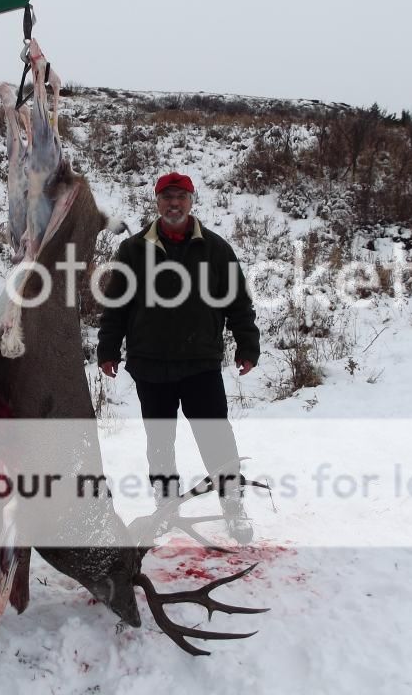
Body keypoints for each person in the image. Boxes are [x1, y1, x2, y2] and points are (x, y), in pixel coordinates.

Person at [97, 171, 260, 544]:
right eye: (167, 197)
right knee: (159, 442)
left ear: (191, 201)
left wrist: (247, 345)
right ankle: (167, 508)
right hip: (150, 365)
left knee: (216, 438)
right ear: (157, 202)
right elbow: (117, 306)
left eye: (181, 197)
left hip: (200, 364)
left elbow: (238, 303)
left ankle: (232, 505)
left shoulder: (215, 249)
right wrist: (108, 348)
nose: (174, 203)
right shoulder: (133, 250)